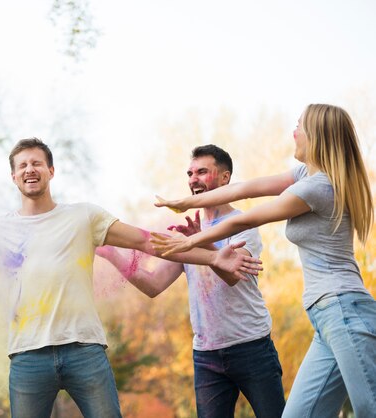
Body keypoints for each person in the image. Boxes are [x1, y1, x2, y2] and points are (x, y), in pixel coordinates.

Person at [0, 137, 263, 418]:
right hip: (28, 357)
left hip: (85, 351)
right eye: (22, 165)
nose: (30, 170)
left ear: (51, 171)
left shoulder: (84, 216)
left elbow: (149, 243)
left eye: (37, 163)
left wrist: (212, 259)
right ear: (14, 176)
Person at [152, 104, 376, 418]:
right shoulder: (305, 175)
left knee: (370, 408)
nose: (293, 132)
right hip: (325, 317)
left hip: (344, 309)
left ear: (316, 135)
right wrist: (185, 202)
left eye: (299, 125)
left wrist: (189, 241)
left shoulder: (317, 188)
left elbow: (246, 219)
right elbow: (245, 188)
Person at [97, 144, 285, 418]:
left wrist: (201, 242)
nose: (193, 179)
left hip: (252, 347)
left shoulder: (244, 224)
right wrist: (110, 252)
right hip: (206, 356)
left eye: (202, 172)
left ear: (224, 178)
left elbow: (232, 274)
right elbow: (153, 284)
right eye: (190, 173)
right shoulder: (185, 233)